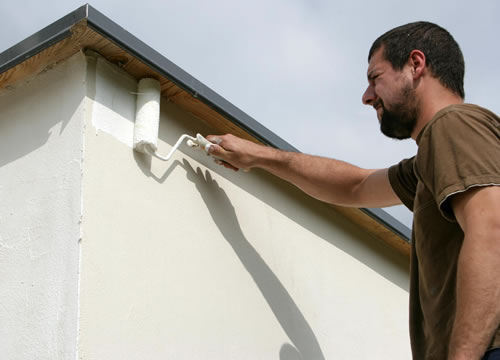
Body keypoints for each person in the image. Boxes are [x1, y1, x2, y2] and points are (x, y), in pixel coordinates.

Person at [205, 22, 500, 360]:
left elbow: (492, 231)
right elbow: (356, 186)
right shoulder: (430, 163)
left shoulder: (454, 125)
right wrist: (259, 156)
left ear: (416, 65)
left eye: (375, 78)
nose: (367, 96)